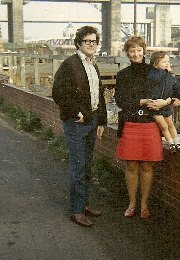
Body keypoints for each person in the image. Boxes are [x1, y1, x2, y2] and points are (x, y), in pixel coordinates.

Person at [52, 25, 107, 227]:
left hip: (92, 121)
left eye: (94, 41)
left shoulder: (93, 64)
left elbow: (99, 95)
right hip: (76, 123)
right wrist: (77, 112)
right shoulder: (70, 64)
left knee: (87, 165)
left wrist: (101, 120)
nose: (92, 44)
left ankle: (84, 204)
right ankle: (76, 210)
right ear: (78, 43)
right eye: (88, 41)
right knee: (78, 165)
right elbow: (58, 92)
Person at [115, 36, 172, 219]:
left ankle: (144, 205)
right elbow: (120, 101)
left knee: (147, 166)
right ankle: (132, 204)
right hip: (131, 124)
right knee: (131, 166)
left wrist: (166, 101)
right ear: (127, 53)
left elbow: (172, 90)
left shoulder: (154, 71)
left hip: (150, 124)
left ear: (144, 52)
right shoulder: (122, 75)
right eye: (132, 51)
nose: (136, 53)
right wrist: (140, 101)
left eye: (139, 50)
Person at [147, 51, 180, 152]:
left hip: (166, 106)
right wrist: (166, 71)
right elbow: (157, 78)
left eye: (168, 61)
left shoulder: (170, 78)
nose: (167, 64)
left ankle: (177, 143)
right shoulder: (152, 74)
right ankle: (170, 143)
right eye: (164, 62)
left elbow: (179, 88)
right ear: (155, 64)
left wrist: (178, 98)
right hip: (155, 106)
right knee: (163, 126)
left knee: (170, 124)